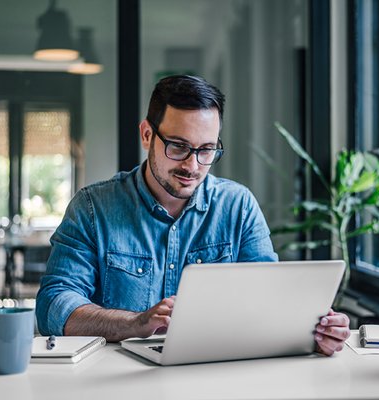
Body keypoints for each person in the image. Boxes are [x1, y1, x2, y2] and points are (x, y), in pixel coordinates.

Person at [36, 75, 350, 355]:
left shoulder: (237, 206)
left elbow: (271, 304)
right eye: (178, 146)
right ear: (147, 135)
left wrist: (316, 333)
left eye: (206, 149)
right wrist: (136, 323)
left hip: (215, 378)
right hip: (115, 383)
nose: (192, 165)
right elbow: (53, 306)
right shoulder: (92, 208)